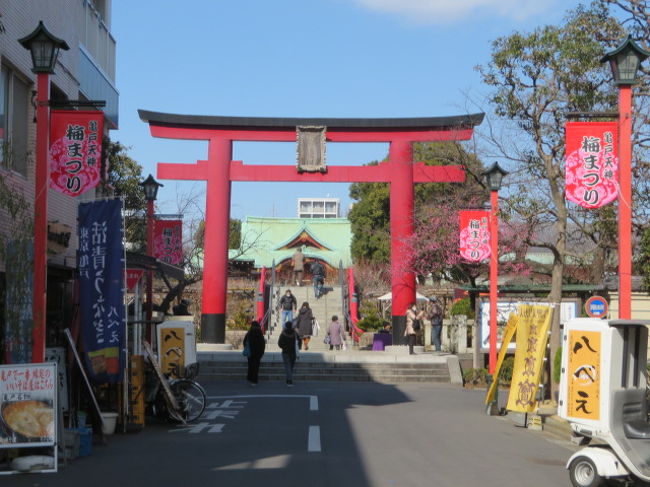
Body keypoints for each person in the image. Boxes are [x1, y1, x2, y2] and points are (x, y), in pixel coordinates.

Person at [242, 320, 266, 386]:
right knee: (256, 366)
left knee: (250, 365)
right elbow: (262, 344)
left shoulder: (249, 333)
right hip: (258, 353)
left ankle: (250, 377)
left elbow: (244, 342)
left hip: (250, 352)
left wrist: (246, 348)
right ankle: (254, 380)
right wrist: (262, 352)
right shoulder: (260, 333)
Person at [278, 320, 299, 386]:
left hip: (285, 351)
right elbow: (299, 341)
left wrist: (283, 346)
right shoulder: (295, 333)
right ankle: (289, 378)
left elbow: (279, 343)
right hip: (293, 352)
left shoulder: (283, 333)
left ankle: (289, 380)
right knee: (291, 366)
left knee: (287, 366)